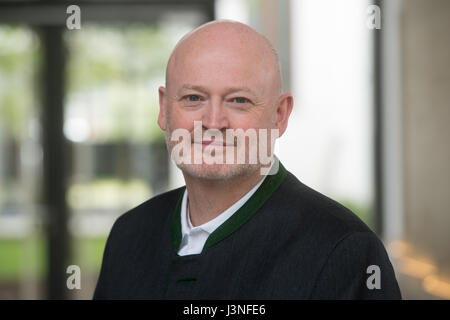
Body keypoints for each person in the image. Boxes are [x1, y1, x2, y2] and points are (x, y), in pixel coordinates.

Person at [93, 20, 401, 299]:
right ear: (164, 109)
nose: (213, 122)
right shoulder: (128, 235)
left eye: (239, 100)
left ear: (279, 115)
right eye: (193, 98)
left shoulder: (345, 253)